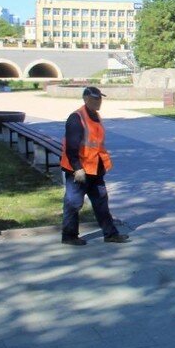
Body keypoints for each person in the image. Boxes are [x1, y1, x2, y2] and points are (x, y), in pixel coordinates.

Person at [60, 87, 129, 245]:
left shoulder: (95, 116)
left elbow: (95, 144)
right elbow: (71, 147)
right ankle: (69, 236)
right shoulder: (76, 118)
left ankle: (110, 234)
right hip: (79, 170)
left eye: (99, 98)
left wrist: (101, 167)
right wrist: (77, 168)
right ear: (85, 99)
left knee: (101, 203)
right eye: (94, 98)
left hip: (95, 169)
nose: (98, 101)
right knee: (73, 203)